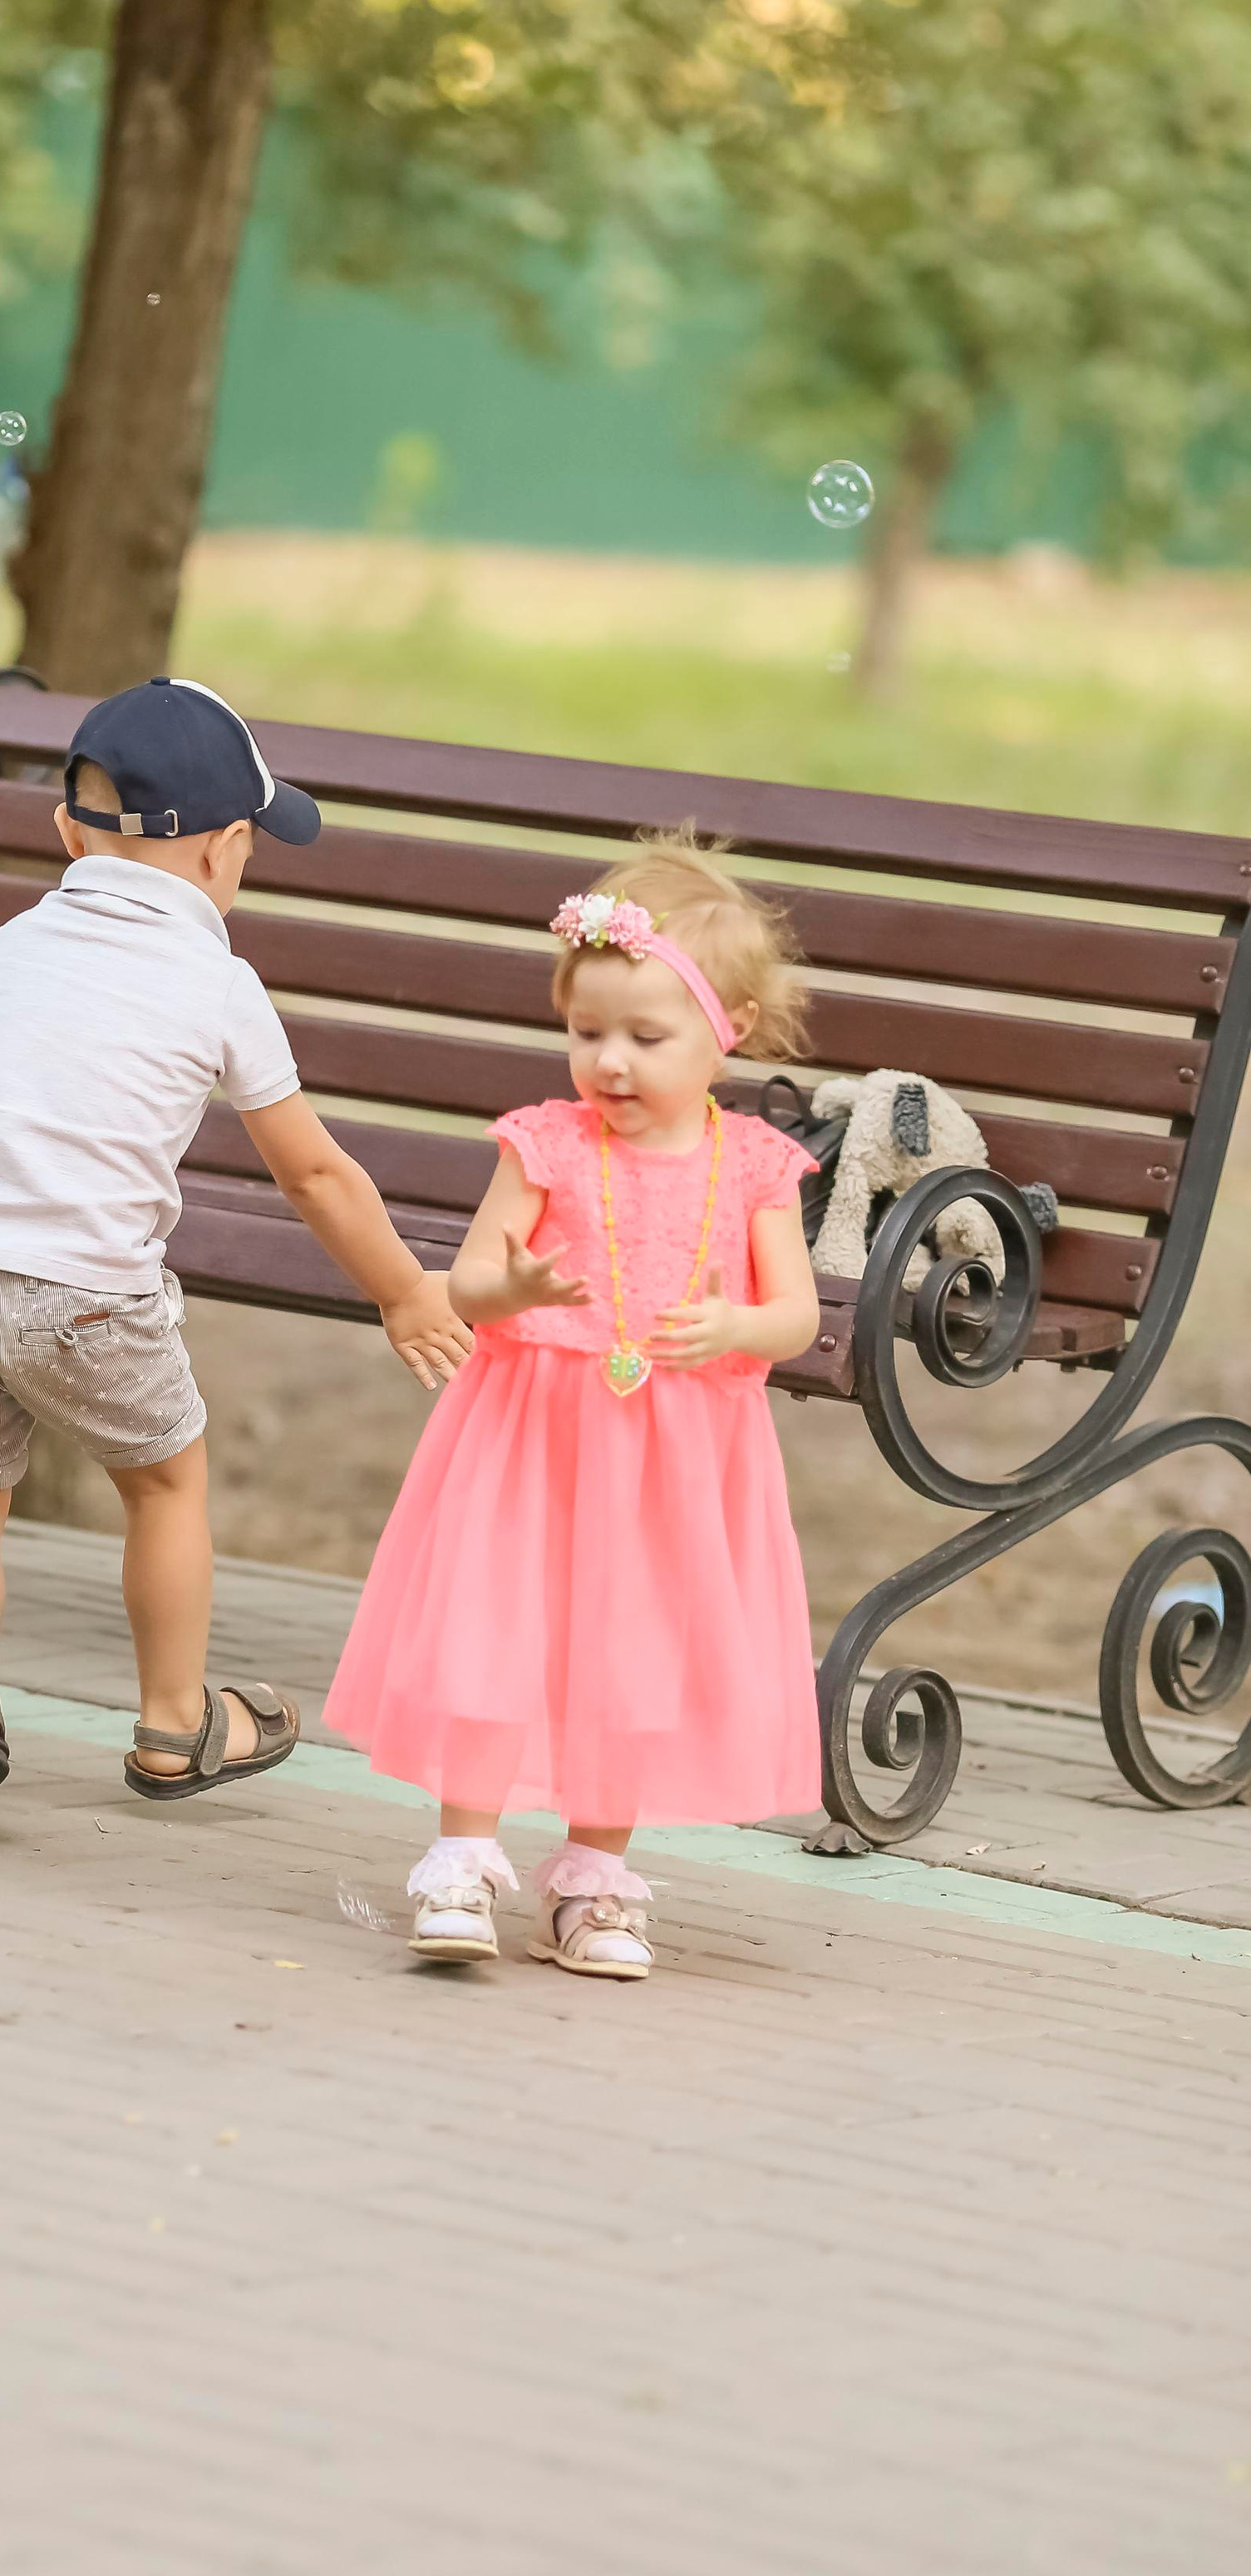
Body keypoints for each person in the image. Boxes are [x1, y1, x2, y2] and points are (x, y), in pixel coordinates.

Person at [0, 674, 471, 1830]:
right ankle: (172, 1724)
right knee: (164, 1483)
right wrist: (403, 1291)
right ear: (221, 850)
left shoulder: (11, 945)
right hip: (86, 1294)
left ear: (68, 833)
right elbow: (313, 1174)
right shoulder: (218, 982)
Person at [323, 839, 825, 1978]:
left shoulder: (755, 1164)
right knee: (493, 1631)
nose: (610, 1060)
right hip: (533, 1435)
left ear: (729, 1030)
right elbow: (468, 1280)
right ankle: (462, 1858)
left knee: (631, 1652)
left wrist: (735, 1327)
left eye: (646, 1038)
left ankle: (593, 1882)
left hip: (673, 1456)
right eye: (587, 1031)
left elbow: (796, 1315)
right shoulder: (547, 1142)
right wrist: (514, 1289)